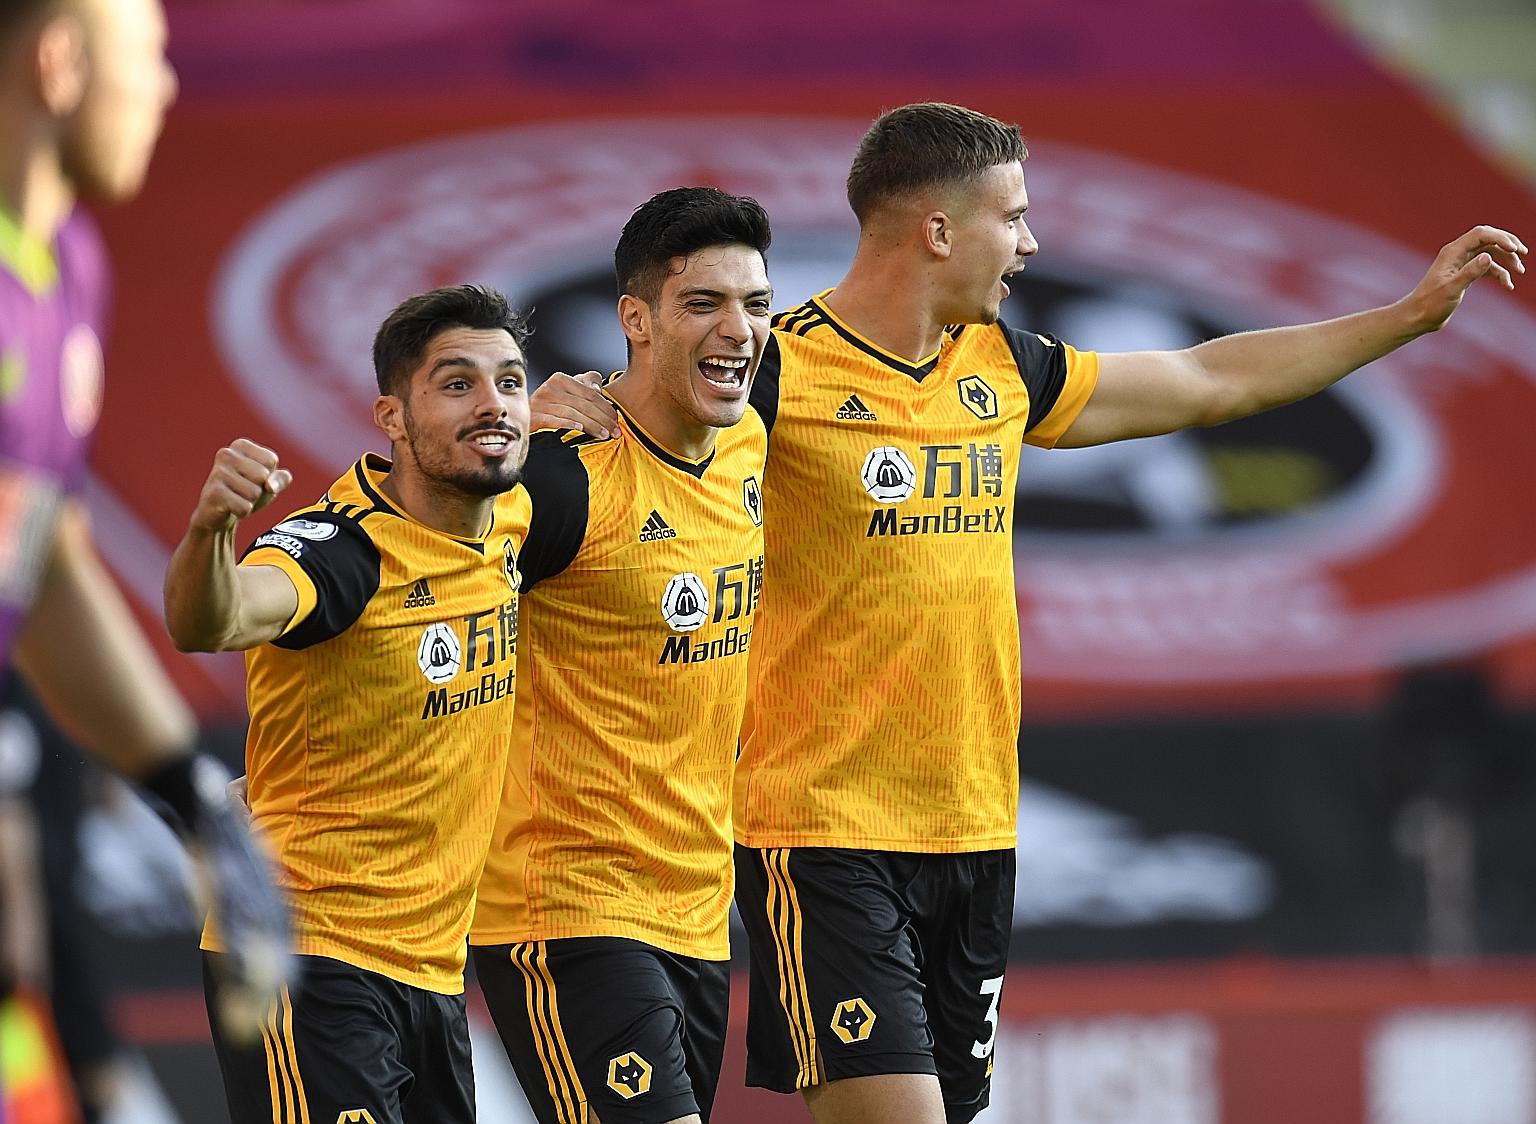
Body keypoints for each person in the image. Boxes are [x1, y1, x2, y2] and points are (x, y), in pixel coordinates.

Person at [538, 102, 1527, 1124]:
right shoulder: (773, 373)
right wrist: (545, 406)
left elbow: (1206, 379)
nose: (1030, 243)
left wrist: (1405, 317)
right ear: (937, 230)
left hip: (975, 831)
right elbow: (626, 415)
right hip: (821, 833)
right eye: (1012, 217)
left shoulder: (1003, 368)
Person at [163, 284, 532, 1124]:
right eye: (457, 384)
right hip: (311, 953)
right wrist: (211, 529)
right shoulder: (341, 550)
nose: (492, 404)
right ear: (391, 418)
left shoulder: (510, 512)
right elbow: (209, 619)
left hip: (433, 969)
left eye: (509, 381)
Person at [0, 0, 289, 1041]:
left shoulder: (67, 264)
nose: (166, 88)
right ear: (60, 63)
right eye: (147, 56)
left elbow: (43, 553)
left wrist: (195, 801)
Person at [469, 187, 772, 1124]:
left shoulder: (748, 440)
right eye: (702, 303)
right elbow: (403, 569)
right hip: (565, 904)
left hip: (698, 911)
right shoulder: (559, 474)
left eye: (755, 304)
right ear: (635, 321)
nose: (738, 329)